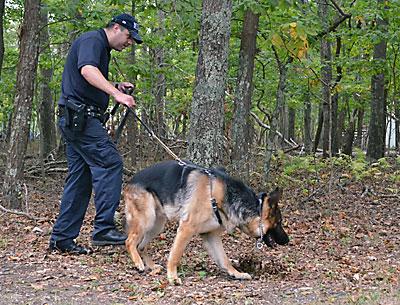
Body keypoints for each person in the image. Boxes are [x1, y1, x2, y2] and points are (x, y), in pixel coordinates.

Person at [49, 13, 143, 255]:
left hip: (77, 119)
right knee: (111, 163)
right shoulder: (93, 40)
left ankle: (62, 238)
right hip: (81, 119)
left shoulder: (100, 46)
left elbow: (90, 79)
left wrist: (115, 85)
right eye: (129, 37)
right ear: (116, 28)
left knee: (80, 179)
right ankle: (103, 229)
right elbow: (87, 71)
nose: (129, 43)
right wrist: (116, 94)